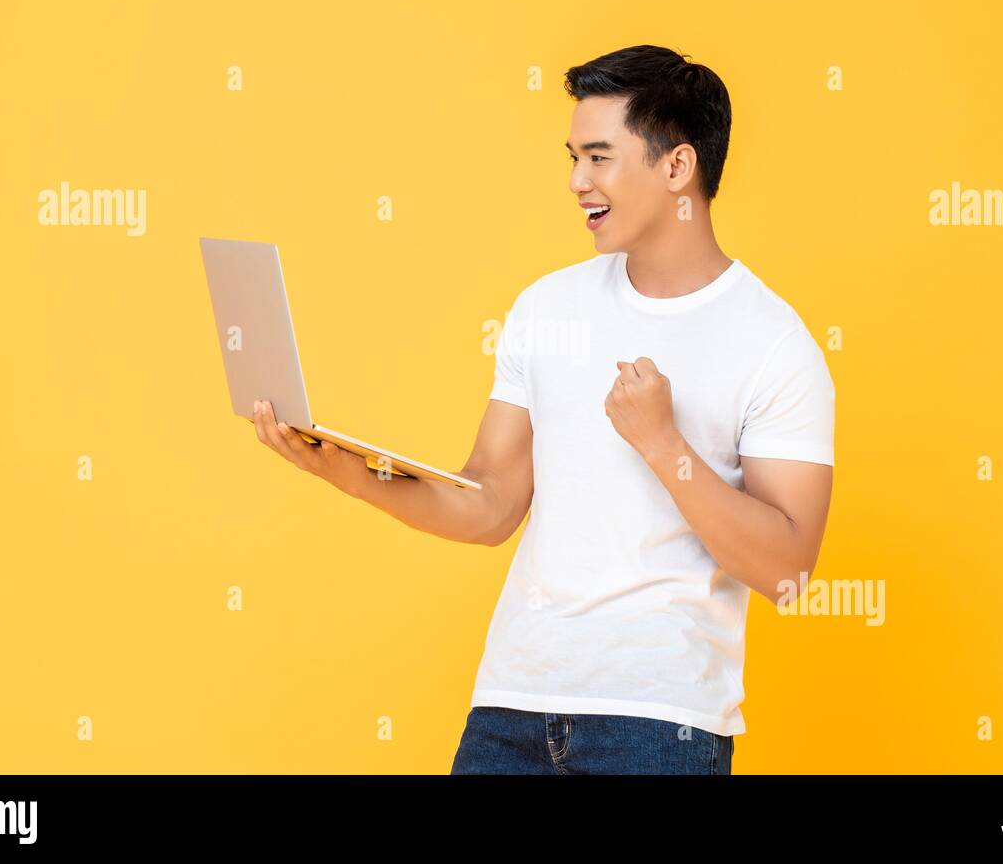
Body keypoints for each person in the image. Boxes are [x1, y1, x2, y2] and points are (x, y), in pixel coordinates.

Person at [251, 44, 835, 775]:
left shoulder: (772, 341)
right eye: (572, 157)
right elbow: (492, 505)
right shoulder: (547, 306)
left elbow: (786, 569)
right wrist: (348, 471)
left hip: (659, 724)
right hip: (512, 706)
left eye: (598, 158)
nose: (575, 182)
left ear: (677, 168)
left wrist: (661, 443)